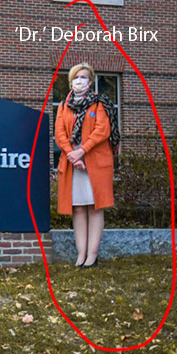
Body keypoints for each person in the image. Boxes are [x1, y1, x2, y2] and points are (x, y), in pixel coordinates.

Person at [54, 62, 118, 269]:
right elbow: (59, 134)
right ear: (71, 81)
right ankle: (80, 255)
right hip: (73, 163)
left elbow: (102, 131)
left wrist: (82, 150)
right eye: (75, 77)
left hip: (95, 162)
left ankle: (92, 255)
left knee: (95, 207)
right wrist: (73, 154)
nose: (79, 80)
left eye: (83, 77)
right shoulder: (64, 105)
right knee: (79, 208)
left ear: (90, 81)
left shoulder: (100, 103)